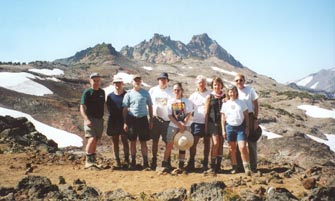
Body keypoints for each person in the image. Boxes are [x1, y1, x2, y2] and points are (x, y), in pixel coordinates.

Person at [122, 74, 153, 170]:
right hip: (132, 119)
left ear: (141, 81)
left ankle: (145, 162)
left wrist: (151, 119)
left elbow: (150, 106)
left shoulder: (146, 93)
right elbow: (125, 109)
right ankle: (133, 162)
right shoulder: (128, 94)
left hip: (143, 119)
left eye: (139, 80)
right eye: (135, 80)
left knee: (143, 141)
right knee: (132, 141)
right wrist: (125, 122)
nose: (137, 82)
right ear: (132, 82)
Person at [162, 82, 193, 174]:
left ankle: (181, 165)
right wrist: (178, 125)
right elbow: (170, 115)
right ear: (173, 91)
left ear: (181, 90)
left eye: (178, 90)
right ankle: (165, 163)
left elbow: (188, 113)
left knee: (182, 144)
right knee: (169, 144)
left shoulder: (186, 101)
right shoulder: (171, 101)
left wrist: (183, 124)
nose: (176, 91)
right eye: (175, 90)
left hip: (185, 125)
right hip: (173, 125)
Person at [221, 86, 251, 176]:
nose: (232, 93)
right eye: (230, 92)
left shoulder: (241, 102)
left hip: (240, 127)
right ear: (228, 93)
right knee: (232, 148)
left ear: (236, 92)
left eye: (233, 91)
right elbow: (223, 117)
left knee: (242, 147)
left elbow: (246, 115)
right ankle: (234, 167)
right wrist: (223, 130)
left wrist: (247, 127)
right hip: (229, 127)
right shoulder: (225, 104)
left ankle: (247, 167)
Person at [234, 73, 259, 173]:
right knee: (239, 143)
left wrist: (256, 119)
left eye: (240, 80)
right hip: (239, 118)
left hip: (250, 116)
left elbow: (256, 105)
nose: (239, 82)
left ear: (244, 81)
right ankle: (240, 166)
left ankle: (253, 166)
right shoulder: (233, 91)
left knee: (252, 142)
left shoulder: (250, 90)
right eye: (237, 80)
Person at [80, 73, 105, 169]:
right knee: (91, 138)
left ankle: (93, 161)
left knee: (95, 140)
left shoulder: (102, 92)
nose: (96, 82)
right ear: (90, 81)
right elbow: (82, 107)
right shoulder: (87, 92)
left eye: (98, 80)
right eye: (94, 80)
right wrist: (86, 119)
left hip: (99, 120)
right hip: (90, 119)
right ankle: (88, 161)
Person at [186, 75, 211, 172]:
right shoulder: (193, 96)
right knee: (193, 143)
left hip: (207, 122)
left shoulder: (210, 94)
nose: (202, 84)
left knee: (207, 143)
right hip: (196, 122)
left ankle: (205, 163)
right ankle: (191, 162)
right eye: (200, 82)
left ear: (206, 83)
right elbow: (189, 109)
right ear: (197, 84)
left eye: (203, 82)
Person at [149, 72, 173, 170]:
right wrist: (150, 118)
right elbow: (149, 104)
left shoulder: (171, 91)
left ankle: (167, 161)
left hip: (167, 121)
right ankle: (153, 160)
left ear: (167, 80)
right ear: (158, 80)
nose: (163, 81)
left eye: (165, 79)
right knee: (155, 140)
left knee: (168, 142)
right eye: (161, 79)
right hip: (155, 119)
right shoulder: (152, 90)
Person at [106, 75, 129, 167]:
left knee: (125, 140)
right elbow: (108, 108)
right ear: (113, 84)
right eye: (116, 83)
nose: (117, 85)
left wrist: (126, 122)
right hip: (113, 120)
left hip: (123, 120)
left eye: (119, 83)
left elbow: (127, 108)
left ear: (122, 84)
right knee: (114, 141)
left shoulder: (126, 94)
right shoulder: (110, 96)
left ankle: (127, 160)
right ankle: (117, 160)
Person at [204, 77, 226, 174]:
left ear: (221, 85)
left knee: (221, 144)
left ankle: (218, 165)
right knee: (216, 143)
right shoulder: (209, 97)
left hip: (223, 123)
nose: (217, 86)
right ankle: (212, 165)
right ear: (212, 86)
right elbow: (206, 112)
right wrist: (205, 126)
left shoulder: (225, 97)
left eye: (218, 84)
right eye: (215, 85)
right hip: (212, 123)